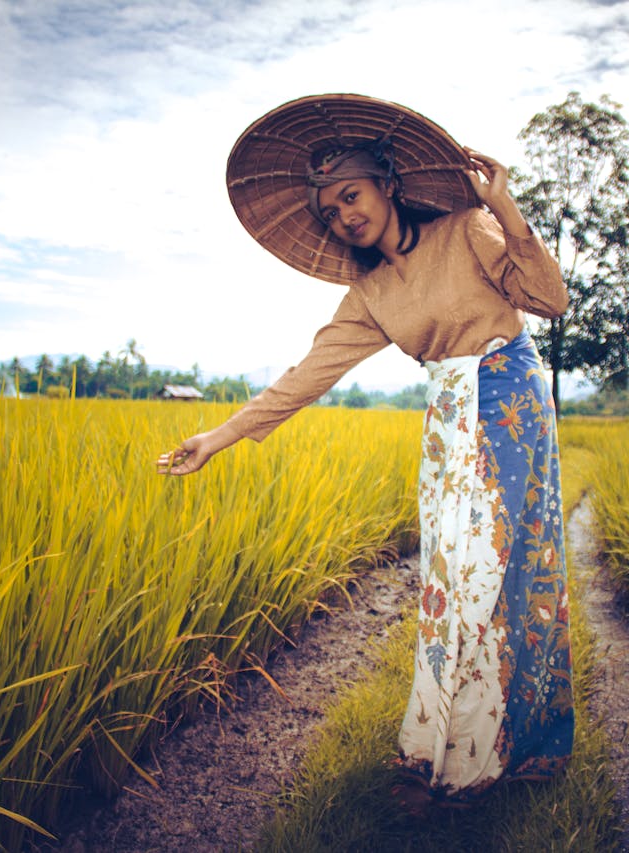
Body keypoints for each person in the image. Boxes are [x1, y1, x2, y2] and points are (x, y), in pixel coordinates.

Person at [157, 94, 575, 808]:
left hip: (509, 398)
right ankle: (436, 746)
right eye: (331, 211)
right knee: (449, 576)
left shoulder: (465, 229)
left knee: (506, 568)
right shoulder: (371, 293)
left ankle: (518, 745)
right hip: (449, 419)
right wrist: (218, 437)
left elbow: (549, 297)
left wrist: (505, 209)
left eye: (351, 195)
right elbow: (306, 377)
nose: (345, 214)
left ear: (385, 183)